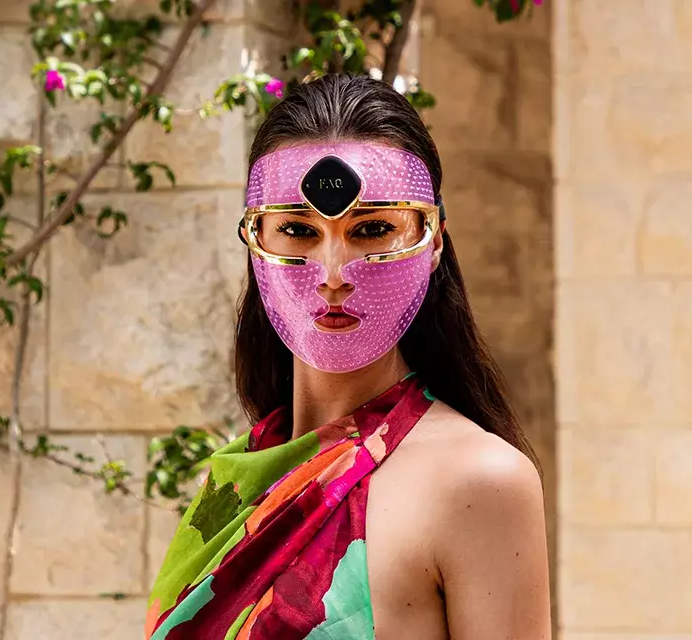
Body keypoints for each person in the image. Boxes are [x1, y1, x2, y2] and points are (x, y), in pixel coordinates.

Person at [144, 73, 551, 640]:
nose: (333, 274)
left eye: (372, 229)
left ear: (433, 240)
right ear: (255, 242)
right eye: (297, 230)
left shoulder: (479, 483)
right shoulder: (239, 482)